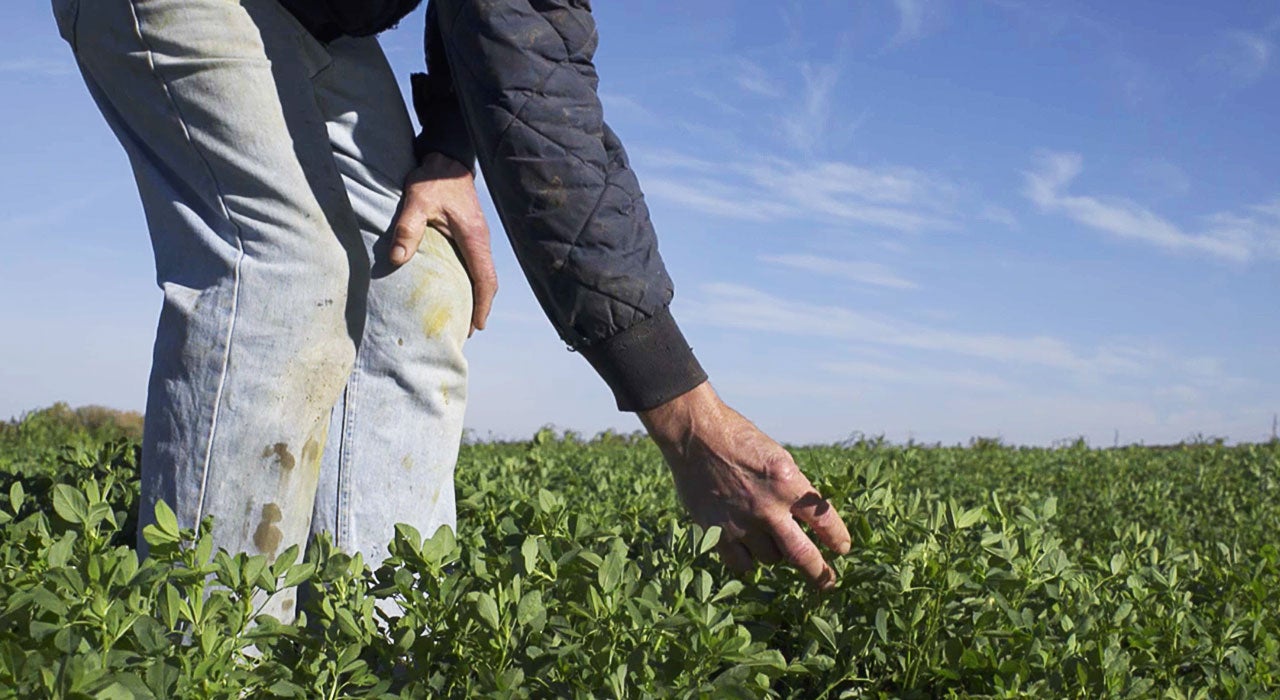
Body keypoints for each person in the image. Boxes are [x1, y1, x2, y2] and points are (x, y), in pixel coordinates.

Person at [51, 0, 852, 621]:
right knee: (290, 269)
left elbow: (511, 37)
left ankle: (378, 649)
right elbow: (529, 69)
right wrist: (686, 416)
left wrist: (445, 151)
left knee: (424, 285)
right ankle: (214, 652)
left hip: (312, 19)